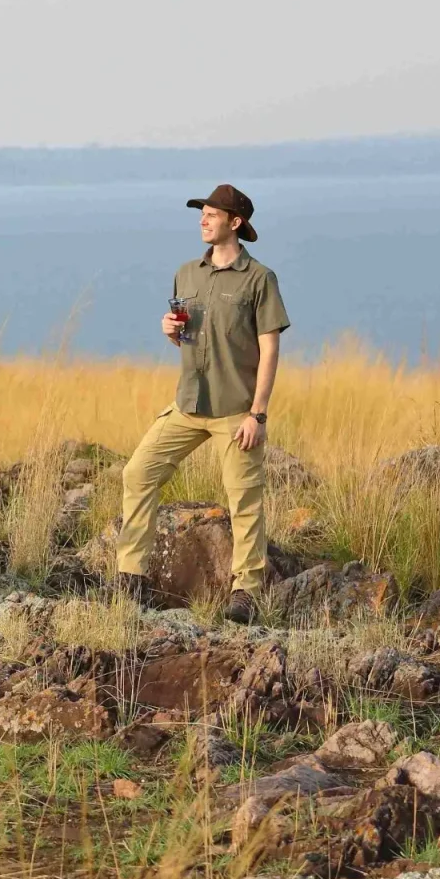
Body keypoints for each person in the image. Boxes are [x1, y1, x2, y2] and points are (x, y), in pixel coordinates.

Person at [115, 185, 290, 624]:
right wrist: (172, 332)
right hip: (188, 404)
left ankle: (246, 592)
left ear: (235, 223)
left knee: (243, 500)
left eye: (212, 214)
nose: (203, 220)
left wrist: (258, 414)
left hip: (235, 412)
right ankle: (130, 578)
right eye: (202, 213)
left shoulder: (260, 280)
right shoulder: (186, 274)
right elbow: (189, 336)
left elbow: (269, 350)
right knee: (138, 472)